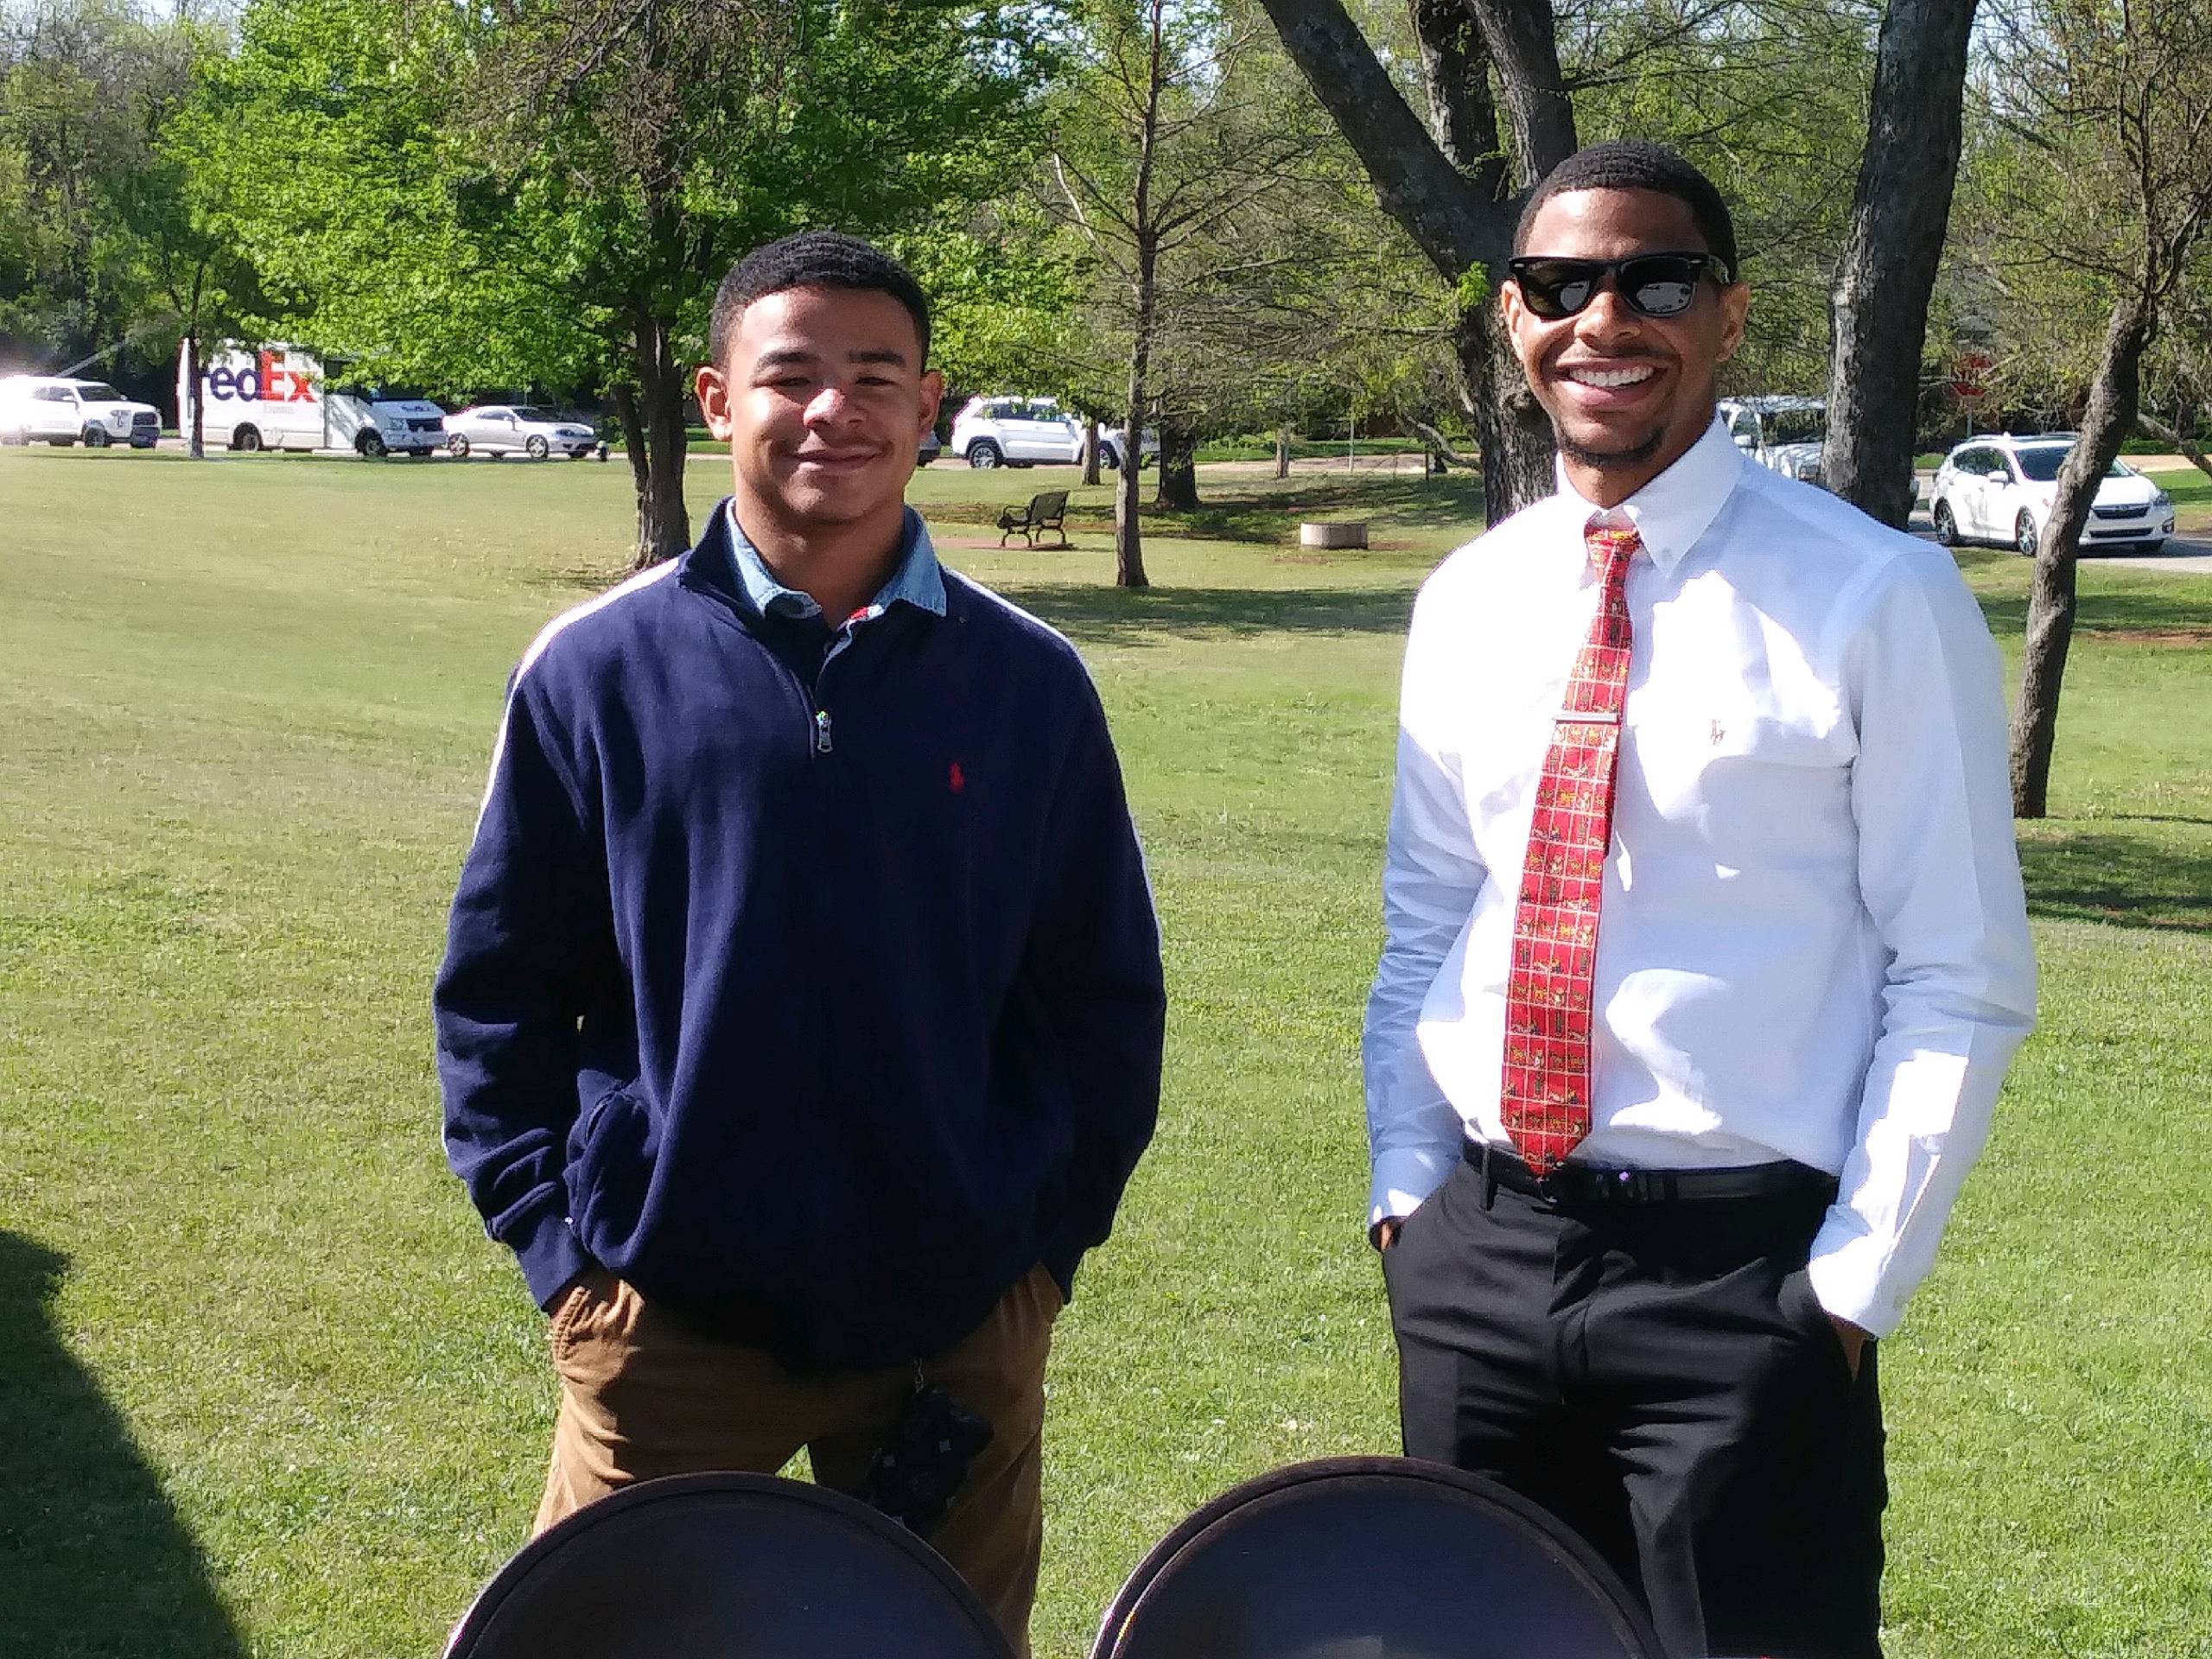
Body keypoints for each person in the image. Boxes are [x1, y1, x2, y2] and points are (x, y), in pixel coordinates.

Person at [434, 230, 1165, 1653]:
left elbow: (1100, 998)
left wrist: (1041, 1261)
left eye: (874, 375)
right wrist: (564, 1257)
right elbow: (501, 988)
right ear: (720, 401)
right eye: (794, 376)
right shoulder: (595, 668)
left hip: (955, 1326)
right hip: (671, 1322)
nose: (835, 409)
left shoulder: (1029, 683)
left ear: (929, 405)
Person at [1364, 141, 2036, 1658]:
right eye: (1558, 285)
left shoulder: (1877, 595)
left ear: (1728, 318)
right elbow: (1428, 920)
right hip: (1482, 1254)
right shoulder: (1471, 595)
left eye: (1654, 280)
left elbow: (1961, 973)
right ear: (1511, 318)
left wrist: (1850, 1292)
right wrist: (1409, 1199)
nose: (1603, 320)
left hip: (1743, 1287)